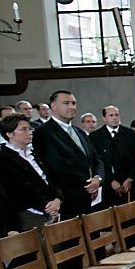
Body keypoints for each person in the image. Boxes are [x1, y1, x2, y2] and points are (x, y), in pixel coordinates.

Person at [32, 90, 105, 218]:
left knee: (92, 236)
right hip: (67, 197)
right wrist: (87, 184)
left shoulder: (79, 131)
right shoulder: (44, 132)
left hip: (90, 197)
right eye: (66, 103)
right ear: (53, 106)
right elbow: (56, 165)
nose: (71, 107)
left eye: (73, 103)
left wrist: (98, 178)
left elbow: (95, 158)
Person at [0, 114, 63, 230]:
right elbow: (21, 188)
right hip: (30, 212)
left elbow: (51, 178)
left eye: (30, 129)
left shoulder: (35, 153)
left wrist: (57, 198)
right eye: (23, 129)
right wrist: (47, 205)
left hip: (53, 207)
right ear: (9, 133)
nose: (30, 132)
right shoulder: (3, 158)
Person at [90, 106, 135, 206]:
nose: (115, 118)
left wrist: (130, 178)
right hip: (107, 186)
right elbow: (96, 162)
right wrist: (110, 181)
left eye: (117, 115)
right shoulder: (95, 137)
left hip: (130, 184)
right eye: (111, 115)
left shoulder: (131, 134)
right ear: (104, 118)